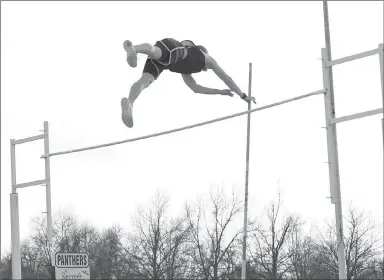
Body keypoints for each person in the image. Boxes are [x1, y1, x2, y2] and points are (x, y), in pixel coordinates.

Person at [121, 38, 255, 128]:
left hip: (165, 62)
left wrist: (221, 92)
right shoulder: (205, 58)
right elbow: (227, 79)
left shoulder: (186, 70)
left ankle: (130, 103)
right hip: (174, 49)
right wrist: (243, 96)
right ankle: (134, 48)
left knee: (145, 80)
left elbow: (195, 88)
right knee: (155, 52)